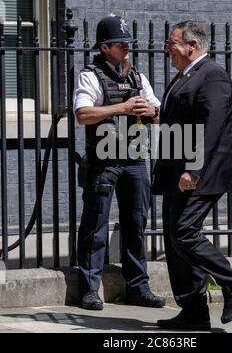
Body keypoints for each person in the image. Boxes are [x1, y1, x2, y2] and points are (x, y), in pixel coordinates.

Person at [152, 21, 232, 330]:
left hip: (201, 173)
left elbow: (211, 128)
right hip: (176, 173)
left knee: (184, 232)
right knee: (175, 240)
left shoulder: (213, 76)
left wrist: (194, 169)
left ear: (192, 45)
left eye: (173, 42)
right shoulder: (184, 76)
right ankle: (193, 310)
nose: (168, 47)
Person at [73, 15, 165, 310]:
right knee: (95, 225)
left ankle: (138, 287)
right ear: (105, 47)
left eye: (128, 43)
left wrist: (148, 110)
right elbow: (82, 114)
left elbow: (161, 114)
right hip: (104, 161)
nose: (127, 47)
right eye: (121, 43)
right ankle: (90, 289)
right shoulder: (90, 75)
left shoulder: (138, 77)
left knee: (137, 224)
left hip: (136, 159)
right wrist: (123, 107)